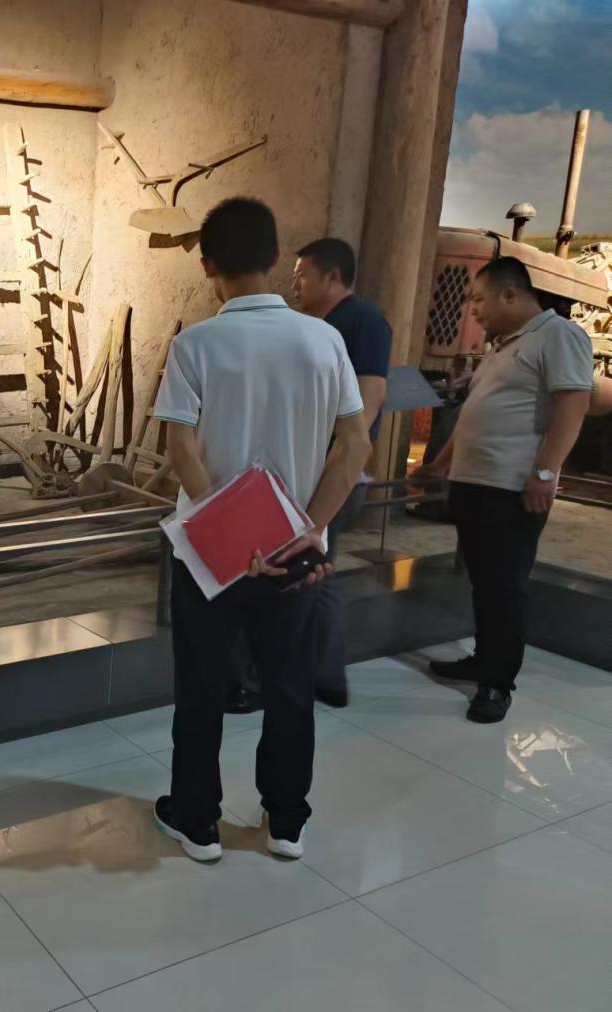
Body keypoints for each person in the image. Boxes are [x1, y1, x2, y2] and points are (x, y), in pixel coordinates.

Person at [152, 197, 372, 862]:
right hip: (293, 554)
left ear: (207, 265)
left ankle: (196, 822)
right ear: (277, 257)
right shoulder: (324, 340)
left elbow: (181, 449)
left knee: (201, 687)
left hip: (208, 555)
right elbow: (354, 444)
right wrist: (310, 529)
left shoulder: (194, 345)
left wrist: (230, 531)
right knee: (288, 687)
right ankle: (286, 822)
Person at [413, 257, 593, 723]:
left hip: (511, 488)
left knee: (505, 586)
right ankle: (483, 659)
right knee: (484, 581)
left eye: (478, 299)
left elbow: (573, 404)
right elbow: (475, 412)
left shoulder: (558, 335)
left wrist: (545, 474)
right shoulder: (503, 347)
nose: (472, 310)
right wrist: (439, 464)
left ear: (510, 294)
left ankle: (497, 683)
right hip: (474, 483)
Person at [292, 238, 392, 707]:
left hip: (331, 474)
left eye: (302, 274)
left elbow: (366, 407)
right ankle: (319, 673)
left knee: (314, 569)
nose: (295, 283)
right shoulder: (321, 326)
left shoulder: (362, 321)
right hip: (314, 469)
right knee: (314, 569)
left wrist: (337, 466)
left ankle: (324, 675)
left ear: (332, 277)